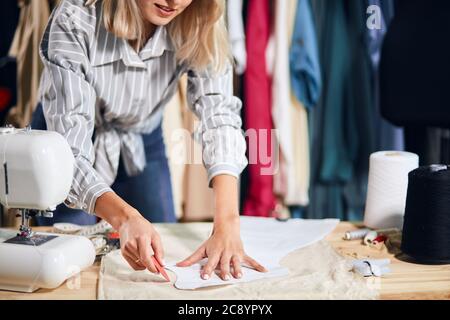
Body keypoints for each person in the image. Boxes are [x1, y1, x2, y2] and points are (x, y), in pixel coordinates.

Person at [37, 0, 266, 281]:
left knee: (161, 256)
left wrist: (228, 224)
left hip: (142, 138)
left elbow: (218, 113)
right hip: (66, 142)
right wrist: (125, 219)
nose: (175, 2)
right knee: (70, 265)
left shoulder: (201, 13)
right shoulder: (75, 18)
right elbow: (70, 155)